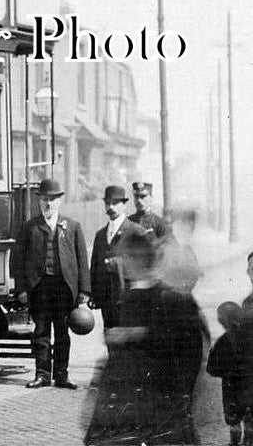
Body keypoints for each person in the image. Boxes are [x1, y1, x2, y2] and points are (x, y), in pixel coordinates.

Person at [83, 232, 205, 445]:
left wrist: (133, 334)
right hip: (140, 401)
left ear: (135, 259)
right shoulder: (136, 295)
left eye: (125, 258)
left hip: (153, 399)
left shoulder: (167, 298)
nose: (121, 265)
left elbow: (185, 346)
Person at [13, 178, 91, 389]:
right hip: (39, 288)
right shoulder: (30, 228)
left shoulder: (73, 227)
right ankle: (42, 374)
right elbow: (17, 261)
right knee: (41, 332)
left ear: (59, 202)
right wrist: (20, 289)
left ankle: (62, 375)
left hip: (65, 288)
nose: (48, 204)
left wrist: (84, 290)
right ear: (39, 202)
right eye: (45, 200)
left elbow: (82, 260)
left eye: (52, 200)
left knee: (63, 332)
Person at [89, 185, 144, 333]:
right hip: (107, 299)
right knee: (110, 338)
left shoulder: (136, 231)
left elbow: (144, 265)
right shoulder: (100, 235)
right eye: (108, 203)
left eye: (115, 203)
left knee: (127, 341)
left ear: (124, 205)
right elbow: (94, 267)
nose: (110, 207)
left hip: (128, 297)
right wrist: (94, 294)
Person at [208, 301, 251, 446]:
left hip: (231, 387)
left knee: (234, 420)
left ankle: (234, 442)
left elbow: (212, 369)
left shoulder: (223, 341)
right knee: (250, 418)